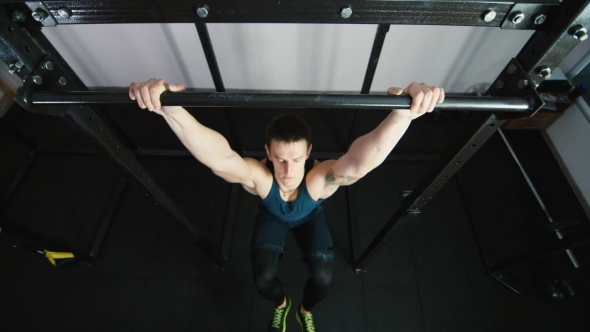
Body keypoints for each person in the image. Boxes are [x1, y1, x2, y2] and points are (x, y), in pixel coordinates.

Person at [128, 79, 445, 332]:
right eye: (279, 159)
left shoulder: (319, 180)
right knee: (263, 279)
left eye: (296, 159)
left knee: (323, 279)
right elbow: (220, 159)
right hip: (272, 218)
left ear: (309, 153)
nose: (288, 170)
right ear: (267, 152)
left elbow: (359, 163)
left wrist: (402, 114)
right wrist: (172, 110)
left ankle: (305, 311)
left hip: (310, 218)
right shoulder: (261, 179)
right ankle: (282, 307)